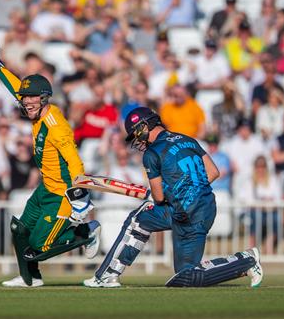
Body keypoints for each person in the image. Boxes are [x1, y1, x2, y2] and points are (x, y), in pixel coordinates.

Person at [83, 107, 263, 288]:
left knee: (139, 219)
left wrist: (171, 194)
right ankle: (245, 260)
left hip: (182, 211)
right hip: (205, 208)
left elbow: (159, 198)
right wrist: (189, 190)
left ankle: (107, 275)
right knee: (186, 276)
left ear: (144, 126)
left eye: (136, 133)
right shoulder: (188, 140)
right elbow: (213, 172)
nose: (136, 140)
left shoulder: (152, 153)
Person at [0, 36, 101, 287]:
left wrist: (79, 195)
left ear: (44, 98)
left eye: (32, 98)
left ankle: (87, 232)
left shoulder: (56, 126)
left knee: (39, 246)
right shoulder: (34, 108)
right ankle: (30, 278)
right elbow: (15, 86)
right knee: (20, 231)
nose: (26, 102)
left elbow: (74, 161)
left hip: (62, 194)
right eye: (25, 98)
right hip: (46, 187)